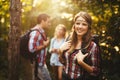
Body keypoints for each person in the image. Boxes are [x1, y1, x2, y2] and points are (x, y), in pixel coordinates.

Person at [59, 11, 101, 80]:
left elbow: (96, 72)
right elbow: (63, 62)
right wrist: (60, 51)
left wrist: (81, 62)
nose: (80, 27)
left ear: (88, 27)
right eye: (77, 23)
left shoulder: (92, 46)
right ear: (74, 25)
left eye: (84, 24)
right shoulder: (69, 39)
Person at [28, 13, 51, 80]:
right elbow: (31, 49)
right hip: (39, 65)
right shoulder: (36, 32)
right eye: (48, 22)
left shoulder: (41, 31)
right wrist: (45, 45)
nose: (50, 24)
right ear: (42, 21)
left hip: (41, 64)